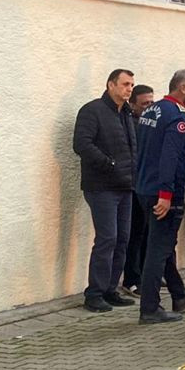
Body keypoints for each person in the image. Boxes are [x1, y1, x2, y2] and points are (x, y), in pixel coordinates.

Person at [134, 69, 185, 324]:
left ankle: (179, 293)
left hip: (144, 187)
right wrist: (165, 194)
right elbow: (168, 158)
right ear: (183, 88)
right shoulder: (177, 117)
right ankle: (150, 308)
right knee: (158, 250)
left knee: (162, 246)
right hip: (163, 192)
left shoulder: (152, 111)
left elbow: (149, 150)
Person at [72, 68, 138, 313]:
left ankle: (111, 289)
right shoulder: (93, 111)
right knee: (107, 238)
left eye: (131, 84)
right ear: (111, 85)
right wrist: (108, 163)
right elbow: (81, 144)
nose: (129, 89)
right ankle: (95, 293)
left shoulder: (127, 113)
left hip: (126, 185)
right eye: (125, 84)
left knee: (123, 239)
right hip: (101, 186)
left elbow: (132, 147)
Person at [122, 84, 156, 295]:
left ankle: (144, 273)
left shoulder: (150, 124)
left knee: (146, 232)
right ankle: (131, 278)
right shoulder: (130, 124)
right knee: (134, 233)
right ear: (132, 104)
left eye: (152, 103)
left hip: (147, 185)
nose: (149, 108)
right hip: (132, 186)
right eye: (144, 104)